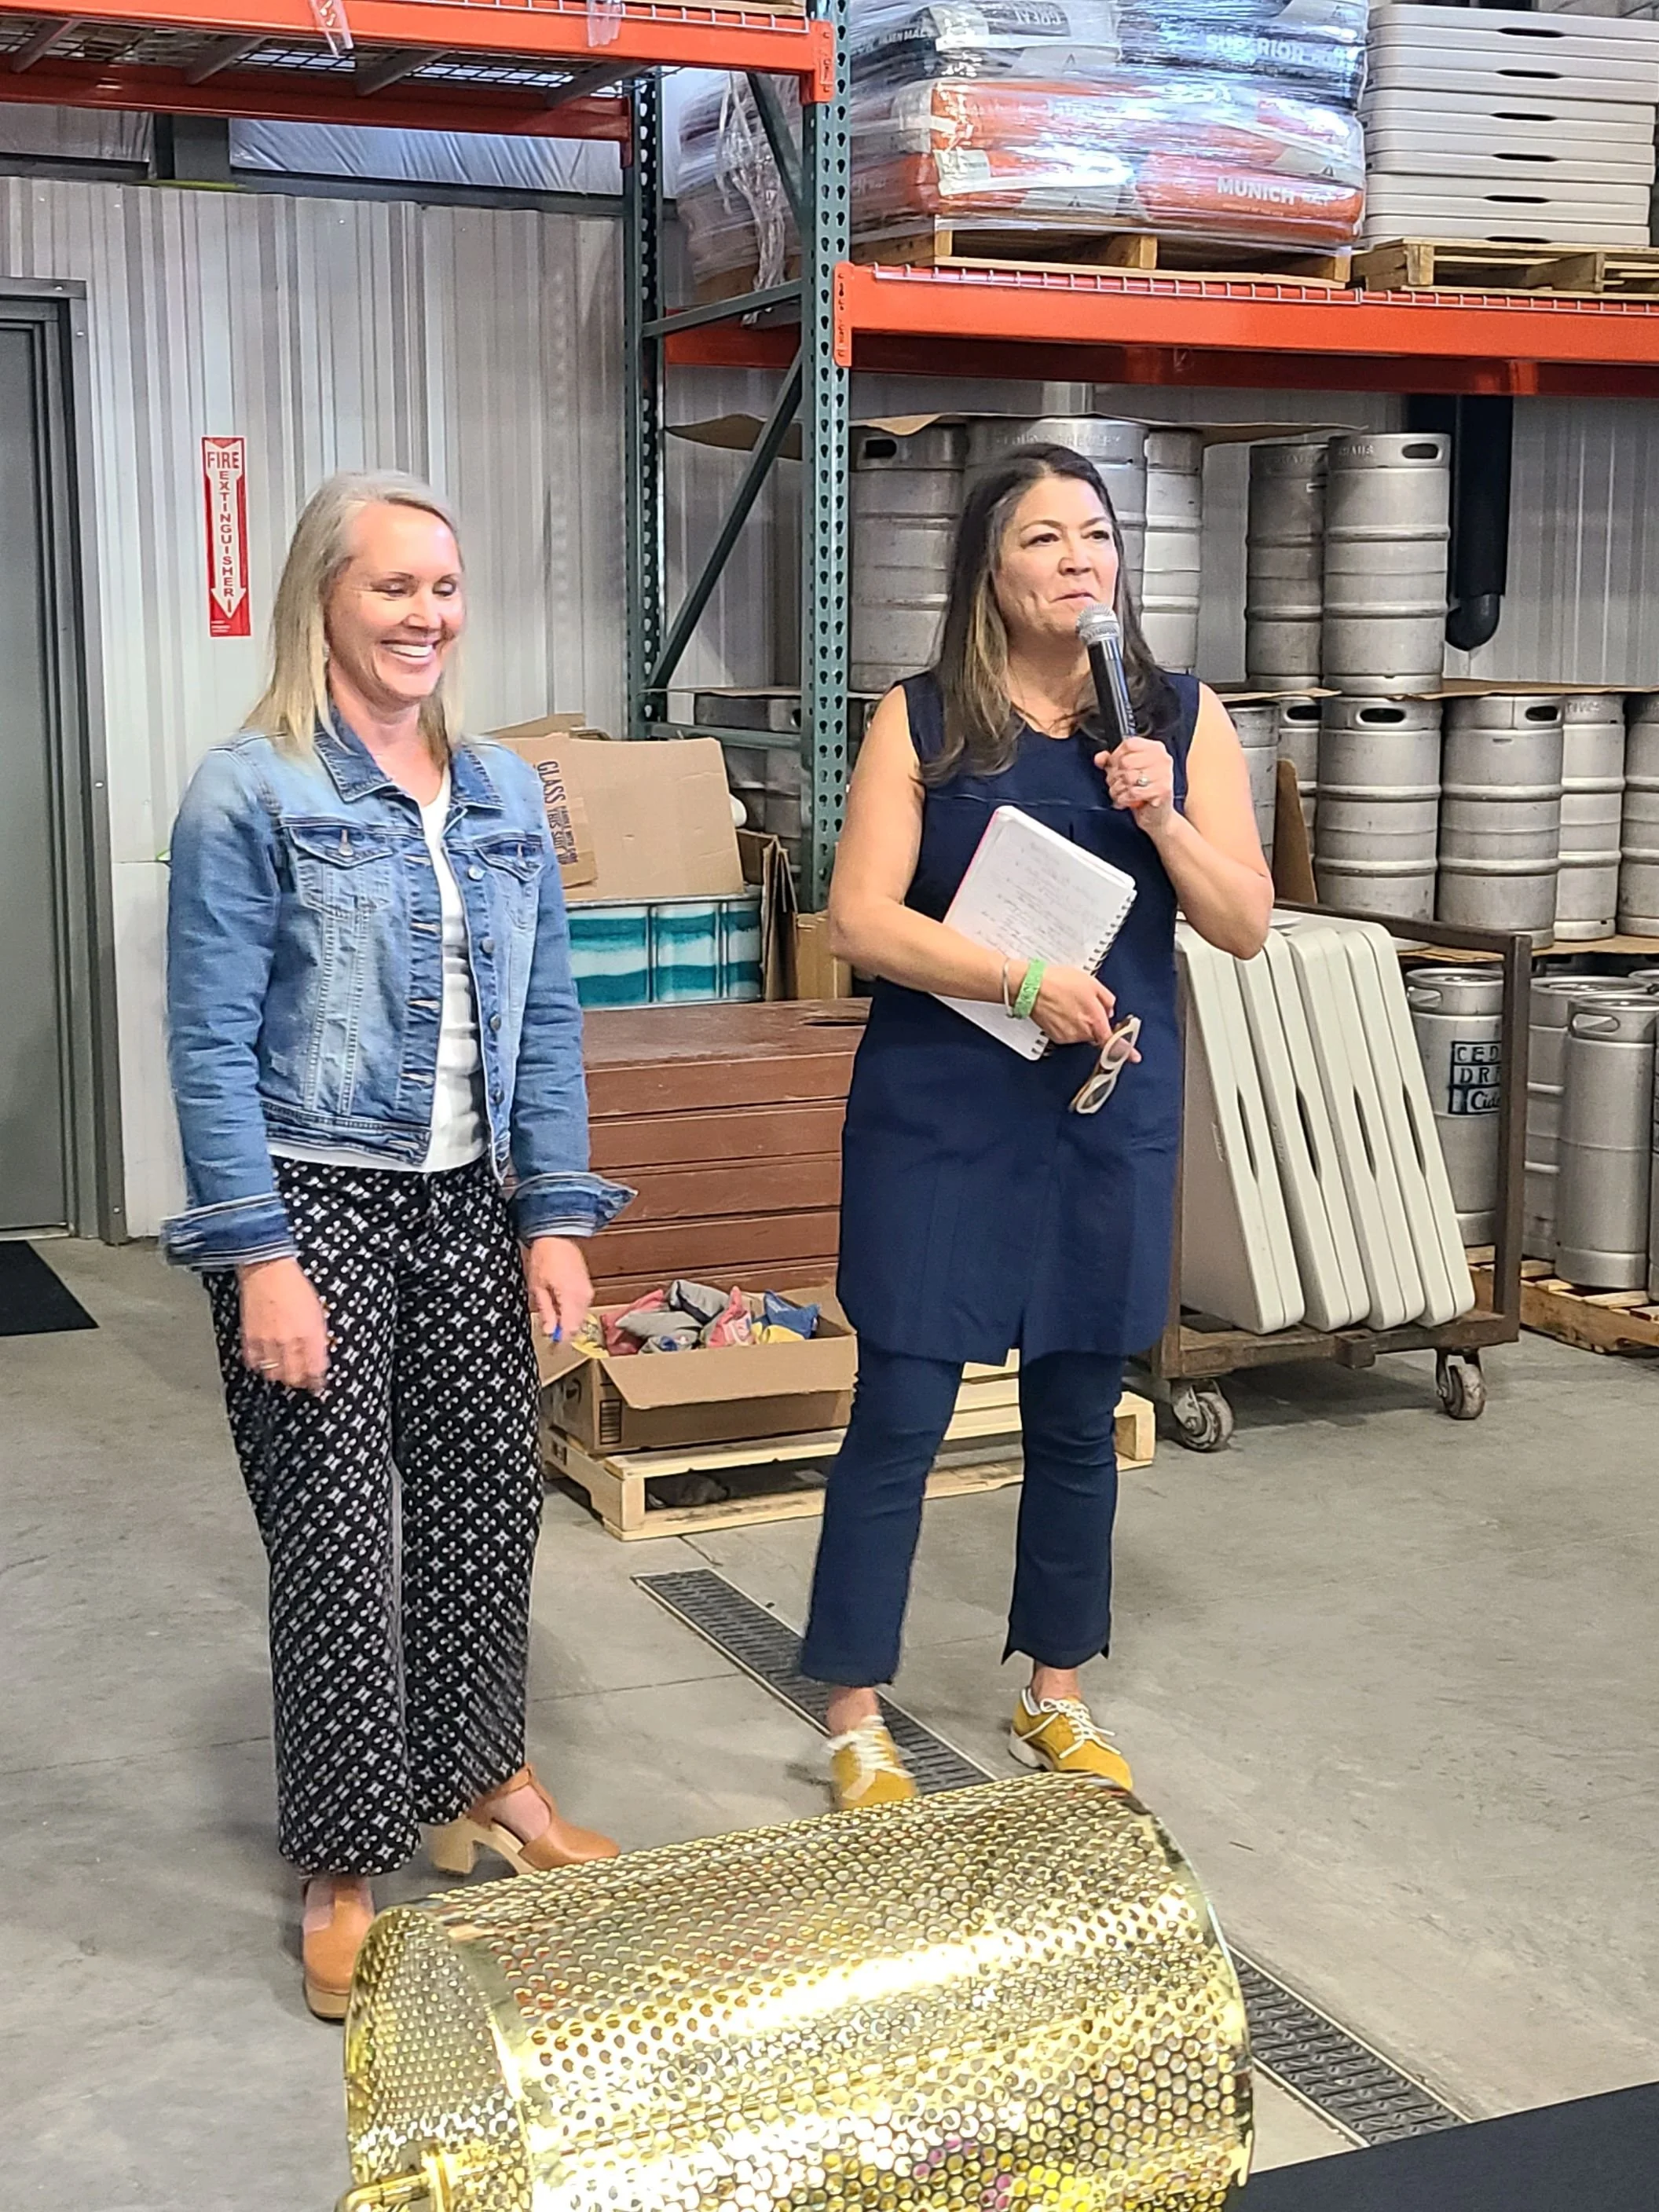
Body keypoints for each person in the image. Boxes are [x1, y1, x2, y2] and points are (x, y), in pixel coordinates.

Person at [162, 471, 631, 2020]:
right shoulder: (253, 791)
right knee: (336, 1534)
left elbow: (545, 1017)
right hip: (315, 1202)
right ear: (324, 599)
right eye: (393, 586)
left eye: (444, 586)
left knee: (489, 1504)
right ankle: (346, 1857)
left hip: (468, 1199)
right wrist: (262, 1257)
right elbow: (209, 1046)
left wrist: (554, 1215)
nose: (426, 614)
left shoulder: (498, 792)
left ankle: (482, 1776)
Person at [804, 441, 1273, 1811]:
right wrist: (1015, 980)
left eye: (1096, 536)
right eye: (1044, 540)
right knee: (901, 1407)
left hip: (1099, 1112)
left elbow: (1244, 923)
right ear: (989, 572)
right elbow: (859, 921)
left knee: (1078, 1409)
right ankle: (853, 1711)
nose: (1079, 562)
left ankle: (1055, 1692)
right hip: (943, 1112)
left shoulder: (1180, 718)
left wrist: (1163, 815)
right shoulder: (921, 721)